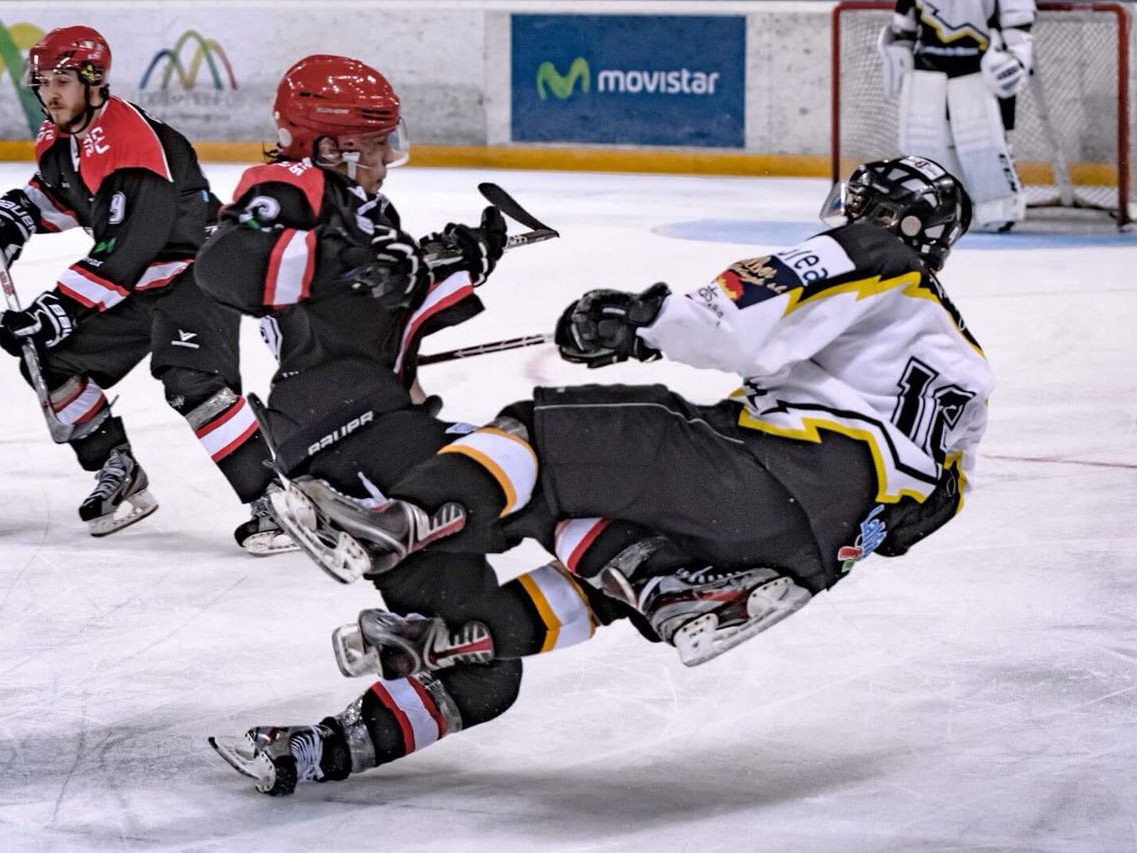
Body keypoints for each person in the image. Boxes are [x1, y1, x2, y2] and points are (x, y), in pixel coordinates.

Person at [257, 156, 992, 785]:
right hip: (807, 556)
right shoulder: (966, 367)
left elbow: (741, 311)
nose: (849, 216)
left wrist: (641, 321)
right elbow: (923, 517)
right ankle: (461, 639)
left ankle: (395, 525)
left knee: (541, 432)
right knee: (601, 552)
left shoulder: (874, 252)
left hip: (774, 477)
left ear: (883, 219)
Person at [193, 54, 566, 796]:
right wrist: (354, 261)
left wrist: (457, 261)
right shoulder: (287, 185)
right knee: (534, 481)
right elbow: (226, 266)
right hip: (342, 427)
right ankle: (372, 523)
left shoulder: (366, 214)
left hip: (373, 419)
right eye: (373, 145)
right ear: (329, 145)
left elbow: (378, 307)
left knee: (486, 677)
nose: (386, 161)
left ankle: (312, 747)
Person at [0, 25, 287, 551]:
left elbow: (126, 252)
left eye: (63, 81)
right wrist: (16, 215)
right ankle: (118, 468)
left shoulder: (132, 144)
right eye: (43, 82)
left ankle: (274, 500)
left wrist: (56, 308)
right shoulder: (59, 135)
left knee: (192, 380)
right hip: (141, 280)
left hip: (198, 271)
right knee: (46, 358)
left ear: (94, 82)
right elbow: (63, 193)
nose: (50, 94)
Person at [878, 0, 1035, 232]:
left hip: (980, 62)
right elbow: (907, 8)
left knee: (986, 140)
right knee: (924, 141)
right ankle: (934, 206)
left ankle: (997, 206)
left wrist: (1019, 53)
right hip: (929, 61)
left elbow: (1015, 7)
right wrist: (898, 45)